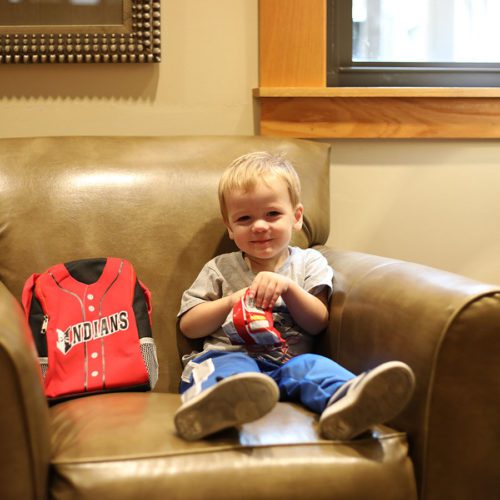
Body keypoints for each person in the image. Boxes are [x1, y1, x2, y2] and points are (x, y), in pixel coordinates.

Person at [174, 151, 415, 441]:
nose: (260, 226)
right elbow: (189, 325)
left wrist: (288, 289)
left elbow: (317, 322)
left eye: (273, 214)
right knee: (227, 369)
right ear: (230, 227)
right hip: (230, 357)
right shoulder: (220, 268)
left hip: (287, 364)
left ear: (296, 217)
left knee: (313, 367)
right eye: (244, 218)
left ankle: (350, 403)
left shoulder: (309, 263)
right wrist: (230, 300)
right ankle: (212, 409)